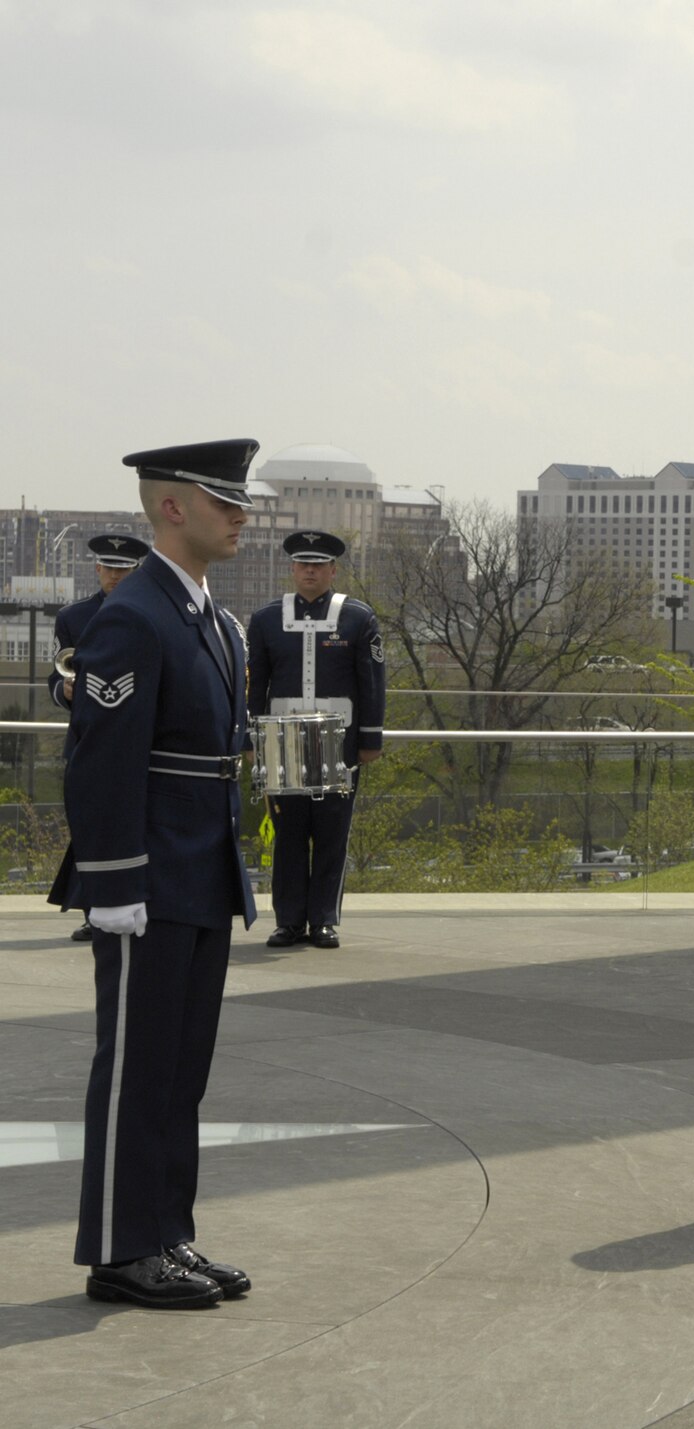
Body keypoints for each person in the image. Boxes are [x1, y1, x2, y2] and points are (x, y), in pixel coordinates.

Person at [48, 438, 260, 1309]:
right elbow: (102, 762)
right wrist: (114, 881)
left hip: (200, 866)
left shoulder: (209, 615)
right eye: (224, 499)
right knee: (137, 1066)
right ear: (173, 507)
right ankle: (120, 1247)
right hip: (149, 874)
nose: (240, 513)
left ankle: (166, 1232)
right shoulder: (135, 614)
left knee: (180, 1069)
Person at [246, 530, 386, 950]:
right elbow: (254, 687)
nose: (310, 570)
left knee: (331, 834)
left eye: (318, 564)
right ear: (292, 569)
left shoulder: (359, 618)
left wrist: (370, 739)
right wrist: (249, 740)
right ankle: (288, 921)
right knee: (287, 834)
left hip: (340, 743)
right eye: (303, 564)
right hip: (281, 742)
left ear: (333, 570)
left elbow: (373, 684)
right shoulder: (267, 619)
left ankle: (323, 920)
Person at [49, 533, 153, 942]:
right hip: (88, 739)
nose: (115, 575)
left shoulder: (152, 613)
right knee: (90, 827)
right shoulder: (72, 617)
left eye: (123, 569)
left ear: (136, 570)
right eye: (108, 568)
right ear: (97, 569)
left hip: (137, 739)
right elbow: (54, 680)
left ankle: (135, 906)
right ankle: (93, 911)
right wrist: (65, 692)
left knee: (135, 826)